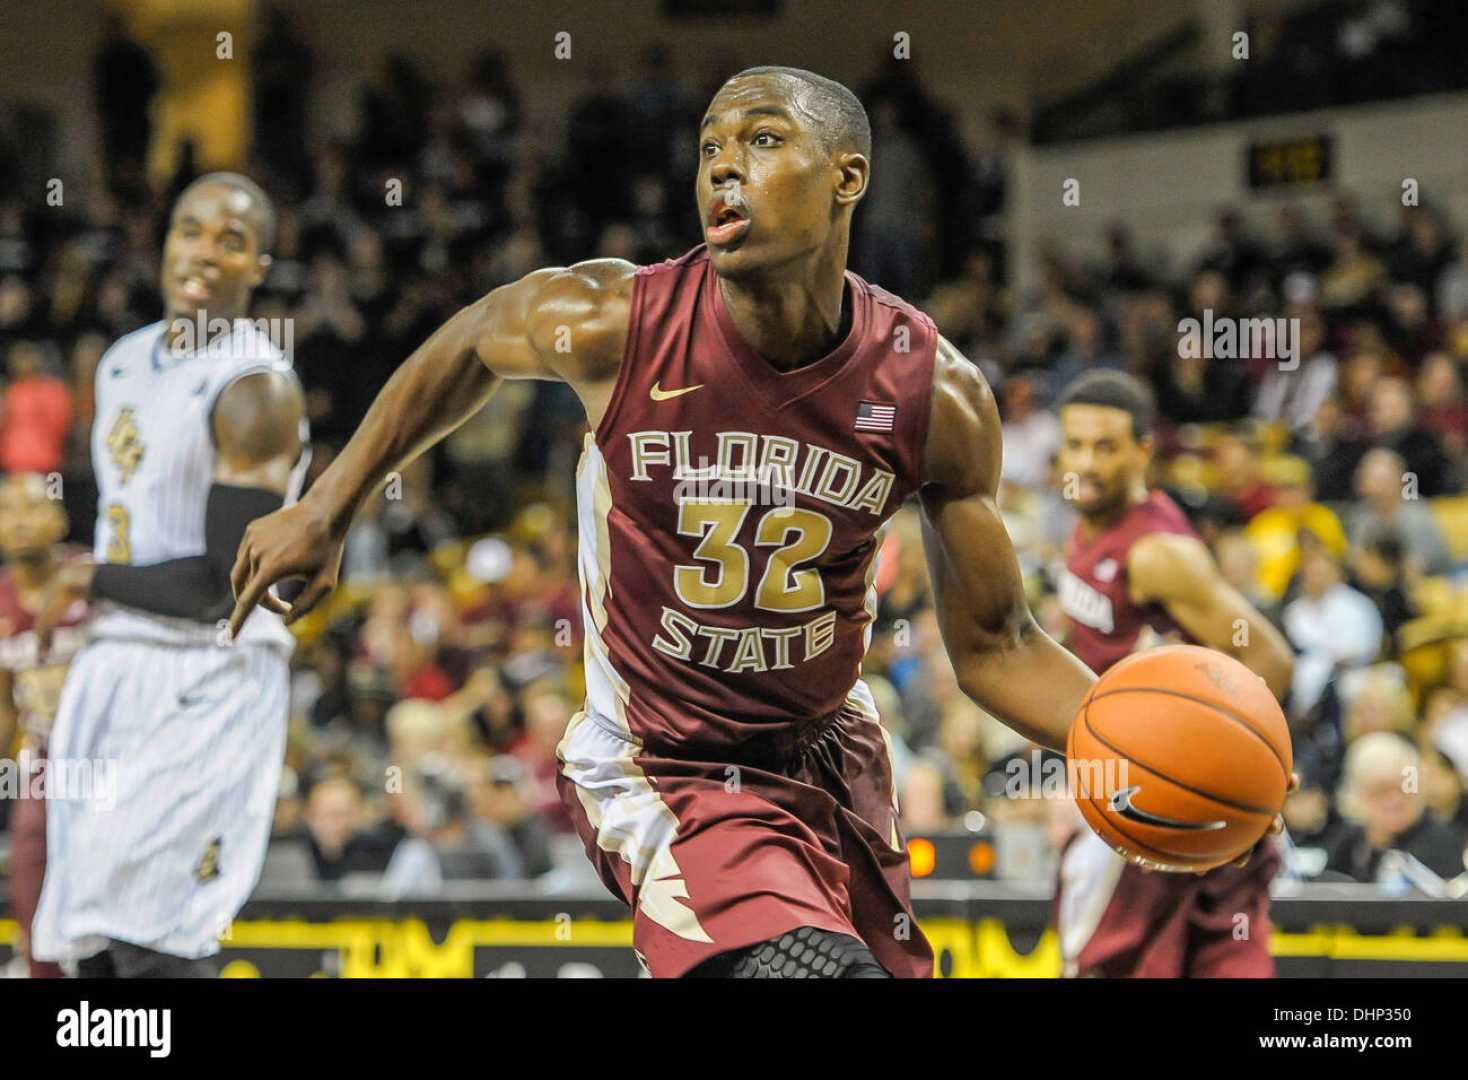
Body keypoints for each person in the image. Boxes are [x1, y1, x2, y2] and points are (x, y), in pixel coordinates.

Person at [228, 66, 1117, 979]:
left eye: (763, 140)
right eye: (709, 149)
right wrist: (328, 506)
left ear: (848, 178)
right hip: (664, 764)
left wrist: (1126, 743)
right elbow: (469, 339)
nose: (725, 168)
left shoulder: (933, 389)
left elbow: (999, 646)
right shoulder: (616, 322)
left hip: (828, 759)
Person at [30, 173, 310, 978]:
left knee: (159, 940)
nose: (204, 253)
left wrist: (85, 582)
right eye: (191, 230)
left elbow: (220, 587)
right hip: (116, 660)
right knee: (90, 935)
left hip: (209, 671)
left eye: (232, 241)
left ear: (258, 266)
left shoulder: (254, 389)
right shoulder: (120, 361)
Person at [1052, 369, 1296, 978]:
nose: (1087, 461)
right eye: (1075, 444)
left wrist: (1249, 770)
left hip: (1167, 791)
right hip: (1139, 779)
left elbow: (1269, 657)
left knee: (1106, 966)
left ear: (1144, 450)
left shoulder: (1158, 553)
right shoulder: (1086, 526)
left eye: (1105, 446)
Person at [0, 474, 89, 978]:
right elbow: (5, 705)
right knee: (30, 856)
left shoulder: (93, 579)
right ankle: (40, 966)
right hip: (44, 753)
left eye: (32, 507)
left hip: (111, 754)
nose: (19, 520)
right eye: (7, 510)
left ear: (59, 518)